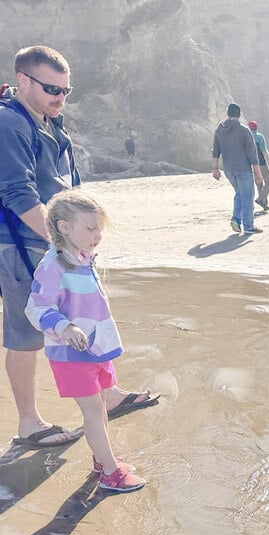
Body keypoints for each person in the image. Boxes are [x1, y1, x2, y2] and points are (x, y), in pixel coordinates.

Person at [1, 45, 158, 449]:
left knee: (86, 316)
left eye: (66, 90)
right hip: (22, 246)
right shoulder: (9, 123)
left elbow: (65, 186)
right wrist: (64, 244)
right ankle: (29, 424)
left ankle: (107, 394)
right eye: (52, 88)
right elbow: (19, 194)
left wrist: (81, 237)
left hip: (60, 244)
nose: (60, 96)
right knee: (26, 332)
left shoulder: (51, 122)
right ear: (23, 81)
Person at [25, 192, 146, 491]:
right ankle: (110, 473)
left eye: (100, 228)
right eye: (91, 228)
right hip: (72, 353)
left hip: (95, 349)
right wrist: (64, 327)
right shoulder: (53, 265)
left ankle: (102, 459)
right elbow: (36, 307)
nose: (98, 235)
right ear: (64, 227)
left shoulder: (81, 257)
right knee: (93, 411)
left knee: (101, 406)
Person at [212, 102, 264, 234]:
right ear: (239, 114)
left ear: (228, 113)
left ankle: (236, 219)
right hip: (243, 168)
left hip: (228, 168)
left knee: (239, 193)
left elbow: (215, 150)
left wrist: (215, 169)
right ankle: (248, 226)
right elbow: (252, 155)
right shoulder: (244, 130)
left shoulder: (220, 130)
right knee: (247, 196)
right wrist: (258, 174)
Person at [248, 120, 269, 211]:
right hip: (261, 163)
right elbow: (264, 151)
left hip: (251, 164)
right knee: (268, 182)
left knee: (259, 183)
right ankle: (261, 199)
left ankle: (264, 204)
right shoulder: (260, 136)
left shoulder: (246, 137)